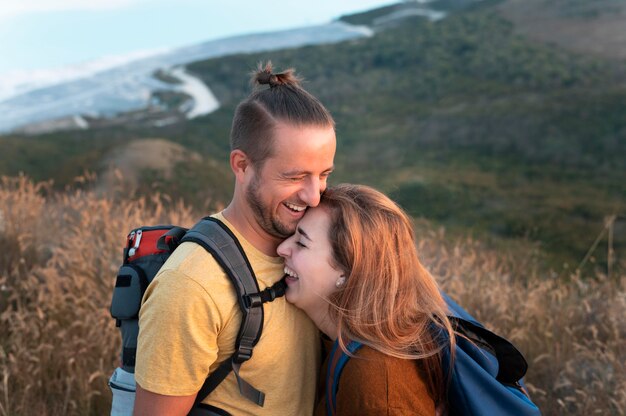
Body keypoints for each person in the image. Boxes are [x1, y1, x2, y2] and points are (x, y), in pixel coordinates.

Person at [133, 62, 337, 416]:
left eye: (323, 175)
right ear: (242, 166)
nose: (314, 196)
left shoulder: (313, 252)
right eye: (296, 176)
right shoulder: (190, 287)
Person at [277, 184, 456, 416]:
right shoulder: (342, 341)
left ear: (347, 272)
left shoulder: (377, 387)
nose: (282, 248)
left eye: (301, 243)